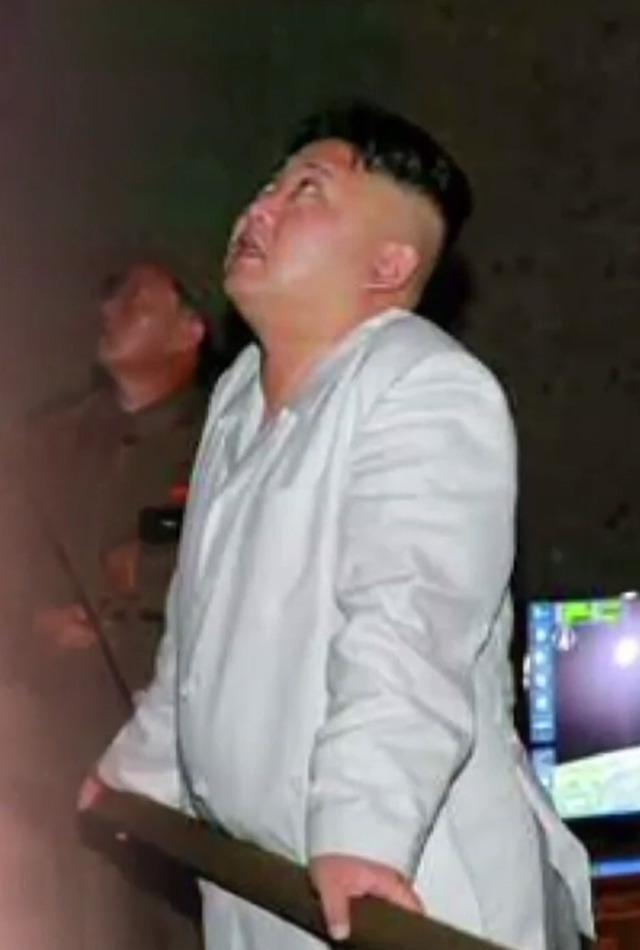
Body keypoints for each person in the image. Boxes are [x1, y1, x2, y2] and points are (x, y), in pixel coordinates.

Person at [89, 103, 594, 950]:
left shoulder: (424, 385)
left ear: (389, 263)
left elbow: (408, 625)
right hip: (265, 891)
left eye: (308, 192)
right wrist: (135, 775)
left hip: (405, 891)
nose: (261, 206)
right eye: (269, 186)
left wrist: (363, 833)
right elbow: (198, 637)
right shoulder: (239, 395)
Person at [4, 262, 215, 949]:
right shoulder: (43, 444)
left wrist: (147, 575)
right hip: (54, 748)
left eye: (137, 301)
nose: (111, 311)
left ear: (190, 329)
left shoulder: (228, 440)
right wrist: (31, 626)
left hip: (178, 756)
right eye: (110, 298)